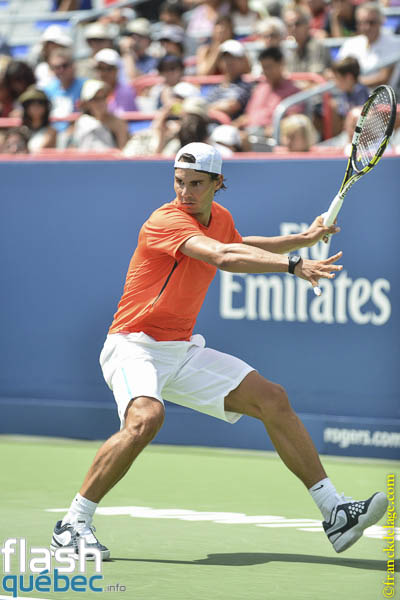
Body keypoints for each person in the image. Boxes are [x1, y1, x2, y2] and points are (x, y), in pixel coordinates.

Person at [50, 142, 389, 560]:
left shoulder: (219, 218)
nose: (185, 192)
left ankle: (334, 511)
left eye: (196, 184)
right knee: (146, 418)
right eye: (179, 182)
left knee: (272, 398)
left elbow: (239, 242)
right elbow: (225, 256)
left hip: (180, 350)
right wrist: (294, 264)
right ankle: (72, 524)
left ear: (217, 183)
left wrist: (302, 238)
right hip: (134, 346)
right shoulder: (165, 219)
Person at [236, 47, 302, 138]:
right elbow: (248, 116)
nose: (266, 72)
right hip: (250, 133)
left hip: (271, 138)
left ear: (281, 64)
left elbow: (292, 121)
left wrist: (272, 130)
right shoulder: (260, 88)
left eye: (269, 67)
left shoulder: (293, 91)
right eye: (264, 68)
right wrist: (236, 124)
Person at [337, 2, 400, 92]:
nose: (366, 27)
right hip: (352, 96)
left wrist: (353, 82)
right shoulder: (350, 44)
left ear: (381, 21)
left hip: (382, 98)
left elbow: (383, 78)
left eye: (371, 22)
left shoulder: (394, 43)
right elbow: (339, 72)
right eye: (361, 23)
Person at [71, 79, 128, 150]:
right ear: (87, 103)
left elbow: (122, 151)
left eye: (104, 97)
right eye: (96, 99)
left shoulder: (118, 123)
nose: (101, 103)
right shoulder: (81, 122)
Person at [206, 39, 252, 120]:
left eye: (233, 58)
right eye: (225, 58)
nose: (228, 62)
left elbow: (231, 106)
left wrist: (204, 109)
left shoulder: (246, 86)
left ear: (243, 61)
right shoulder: (216, 86)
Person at [282, 5, 331, 75]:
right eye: (289, 25)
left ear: (307, 24)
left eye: (297, 23)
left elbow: (315, 76)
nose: (293, 28)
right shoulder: (291, 51)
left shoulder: (317, 46)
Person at [45, 49, 85, 133]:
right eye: (56, 67)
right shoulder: (47, 90)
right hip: (52, 133)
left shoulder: (86, 86)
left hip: (78, 131)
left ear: (73, 65)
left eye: (64, 66)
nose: (61, 70)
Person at [94, 48, 138, 114]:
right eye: (100, 68)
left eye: (109, 68)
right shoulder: (91, 92)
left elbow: (123, 117)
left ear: (117, 69)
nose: (104, 73)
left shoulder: (126, 91)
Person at [331, 57, 370, 124]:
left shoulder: (361, 91)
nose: (335, 83)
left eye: (337, 78)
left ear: (349, 78)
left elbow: (363, 118)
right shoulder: (344, 93)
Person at [18, 86, 57, 152]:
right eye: (32, 104)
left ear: (46, 108)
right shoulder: (20, 129)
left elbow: (39, 150)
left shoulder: (51, 131)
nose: (36, 107)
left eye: (40, 103)